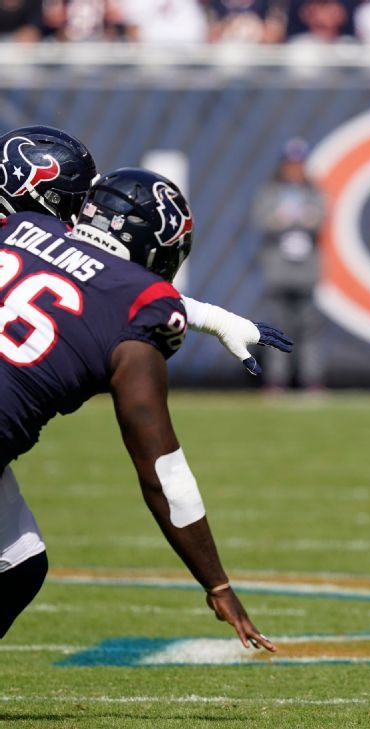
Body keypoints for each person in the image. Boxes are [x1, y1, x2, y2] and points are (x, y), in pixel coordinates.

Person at [0, 167, 276, 653]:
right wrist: (217, 584)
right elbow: (162, 471)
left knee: (20, 559)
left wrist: (208, 316)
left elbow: (75, 277)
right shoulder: (143, 306)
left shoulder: (26, 228)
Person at [0, 125, 292, 376]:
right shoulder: (25, 237)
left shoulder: (18, 237)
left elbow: (109, 283)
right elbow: (114, 287)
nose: (82, 214)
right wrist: (214, 320)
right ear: (33, 195)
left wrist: (215, 319)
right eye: (74, 202)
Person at [253, 137, 325, 391]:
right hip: (278, 273)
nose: (295, 169)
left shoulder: (313, 193)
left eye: (299, 164)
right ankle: (276, 381)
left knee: (309, 330)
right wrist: (287, 219)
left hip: (305, 273)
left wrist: (295, 219)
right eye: (290, 164)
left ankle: (311, 381)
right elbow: (262, 220)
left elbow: (320, 219)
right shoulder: (270, 192)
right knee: (276, 330)